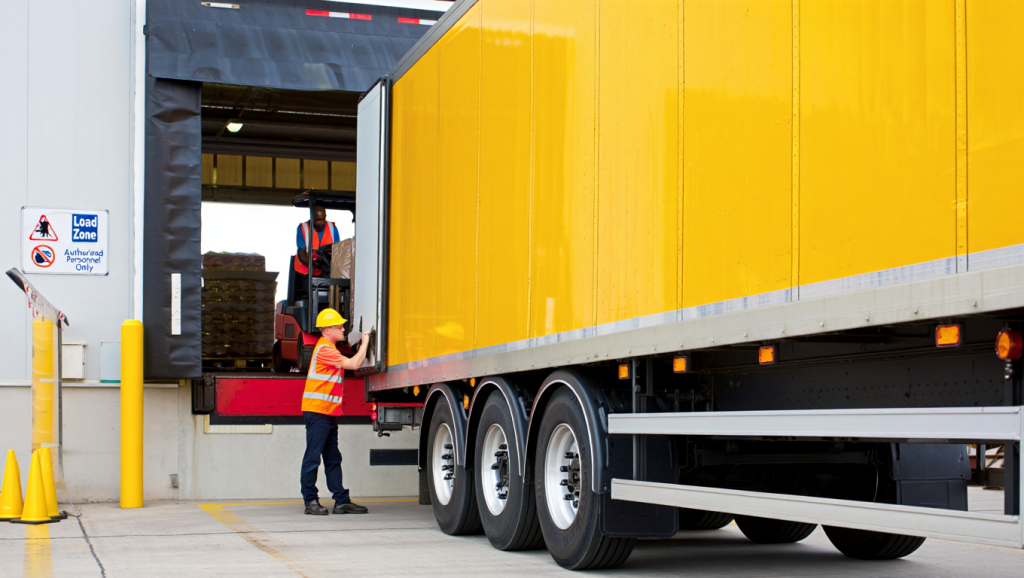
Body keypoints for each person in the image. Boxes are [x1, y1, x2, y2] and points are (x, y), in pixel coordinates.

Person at [301, 308, 371, 515]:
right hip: (318, 412)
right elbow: (354, 364)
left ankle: (341, 500)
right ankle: (310, 501)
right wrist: (365, 342)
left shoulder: (329, 349)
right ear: (327, 330)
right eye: (339, 326)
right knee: (313, 457)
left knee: (332, 458)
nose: (343, 328)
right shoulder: (324, 350)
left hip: (327, 413)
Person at [295, 205, 341, 277]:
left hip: (326, 268)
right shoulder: (303, 228)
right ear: (312, 217)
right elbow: (301, 252)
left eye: (323, 219)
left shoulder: (333, 228)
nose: (321, 222)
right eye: (317, 219)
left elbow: (338, 250)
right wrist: (313, 264)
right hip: (306, 268)